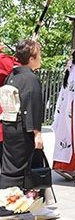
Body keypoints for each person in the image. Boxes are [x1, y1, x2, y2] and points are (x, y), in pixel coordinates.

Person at [0, 39, 44, 190]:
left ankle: (8, 200)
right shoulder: (30, 78)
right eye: (39, 55)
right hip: (23, 129)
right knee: (24, 168)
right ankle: (18, 202)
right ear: (31, 59)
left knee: (10, 167)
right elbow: (32, 107)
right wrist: (37, 133)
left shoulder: (12, 75)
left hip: (9, 126)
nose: (41, 59)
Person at [51, 48, 75, 180]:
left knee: (66, 136)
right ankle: (68, 166)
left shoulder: (70, 72)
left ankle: (62, 165)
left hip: (65, 110)